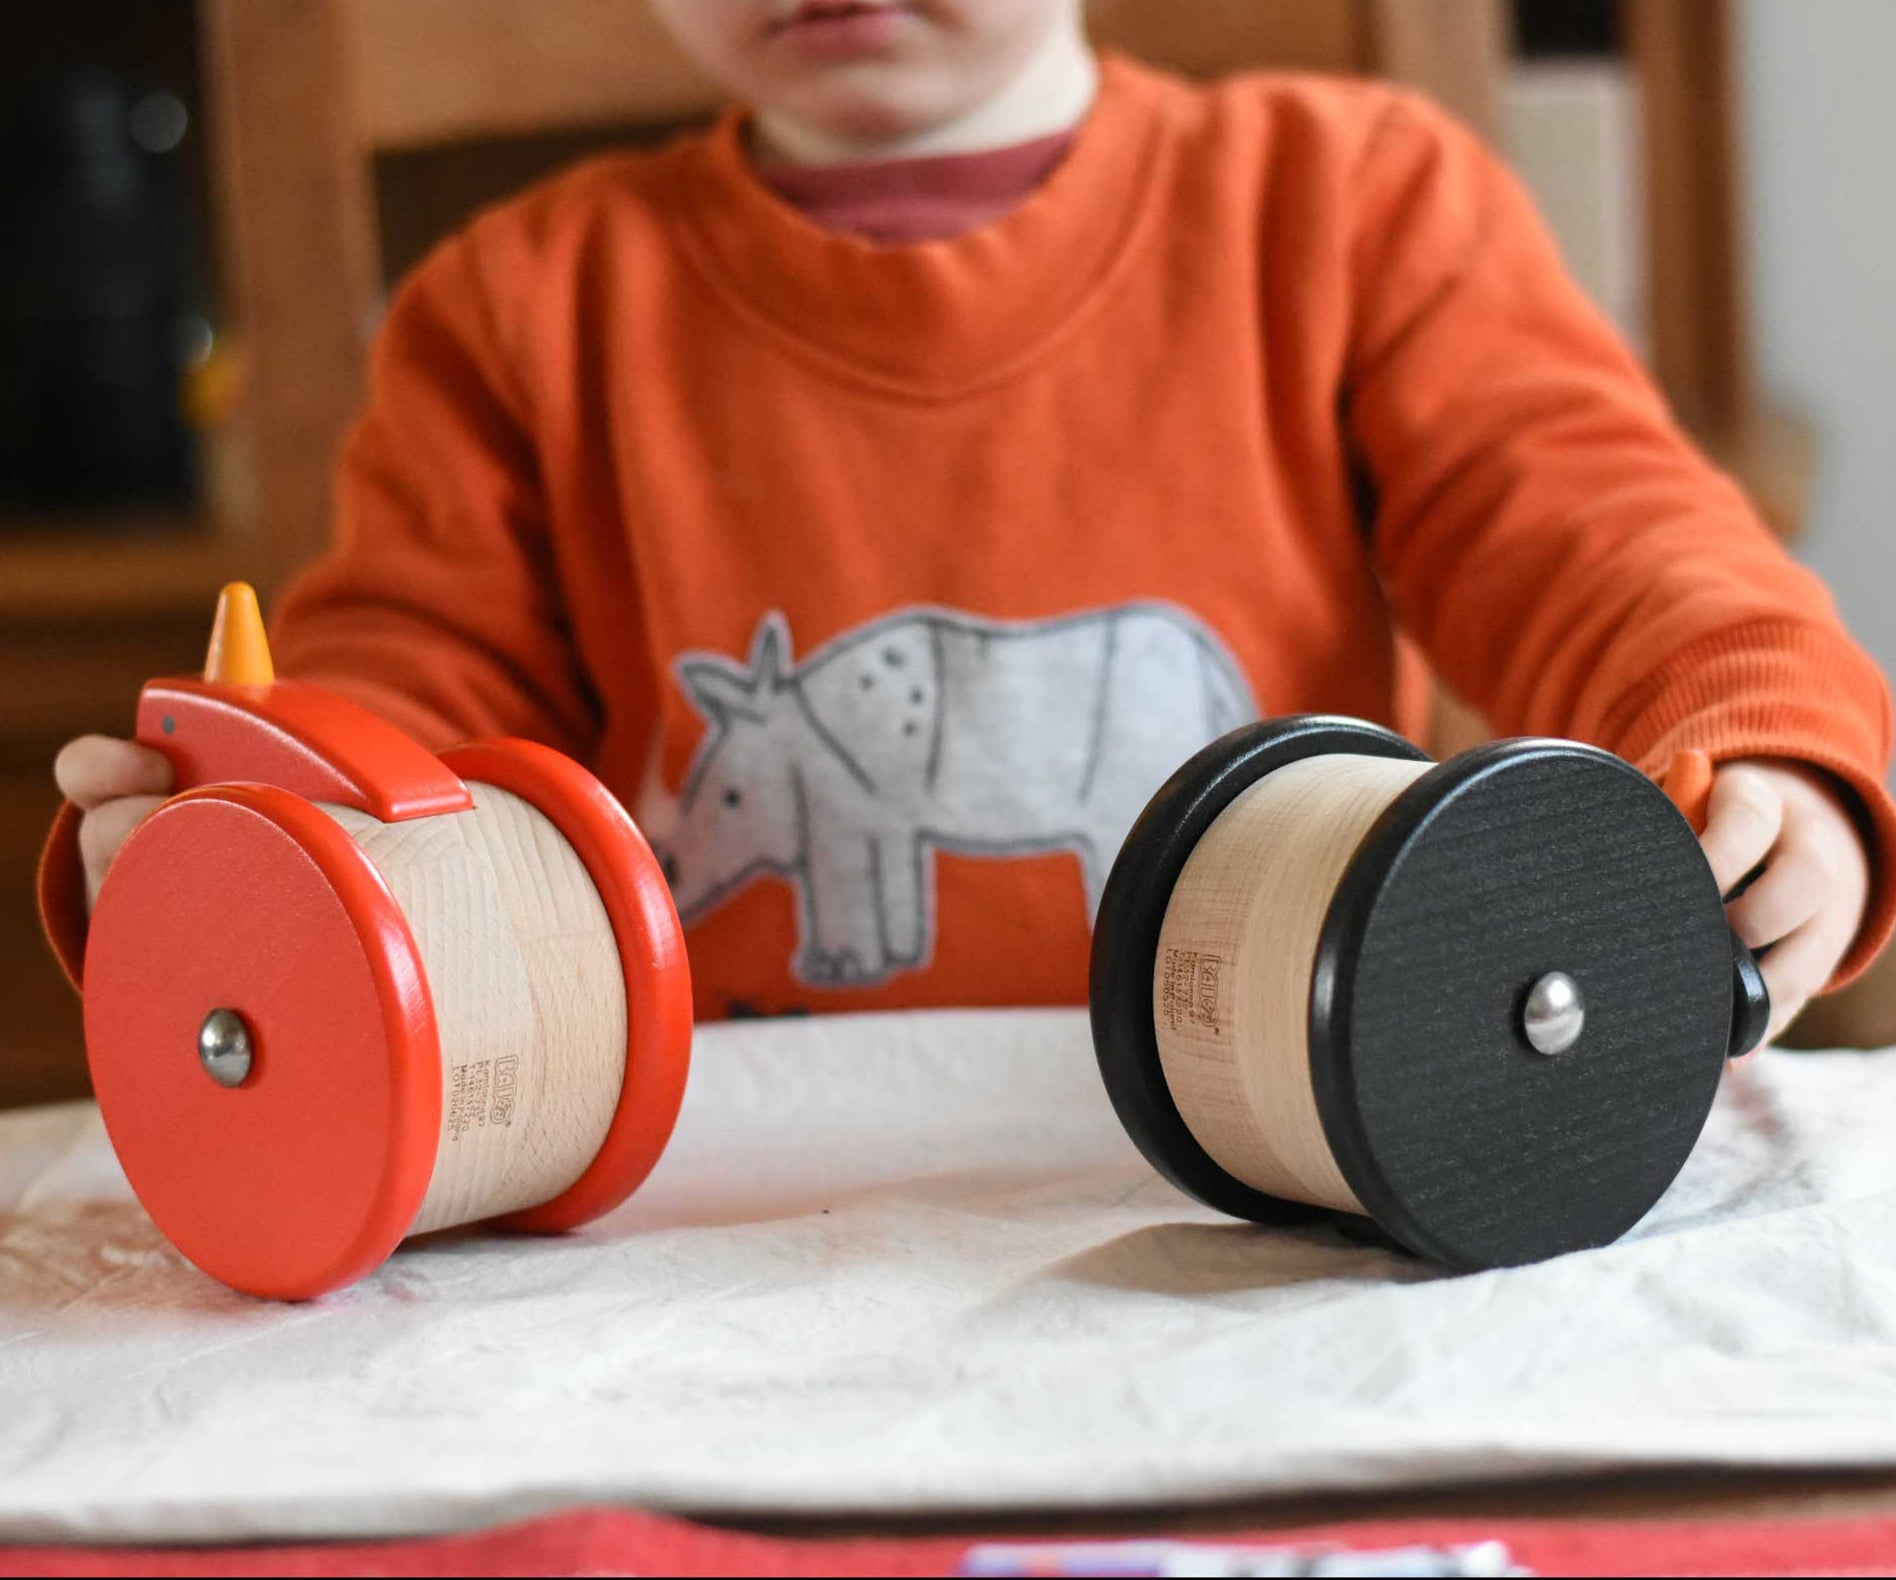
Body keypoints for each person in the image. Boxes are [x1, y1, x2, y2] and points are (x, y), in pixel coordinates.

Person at [45, 0, 1893, 1042]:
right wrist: (267, 846)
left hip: (1288, 1157)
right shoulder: (509, 313)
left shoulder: (1358, 207)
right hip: (729, 1228)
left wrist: (1757, 745)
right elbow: (405, 690)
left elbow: (1600, 535)